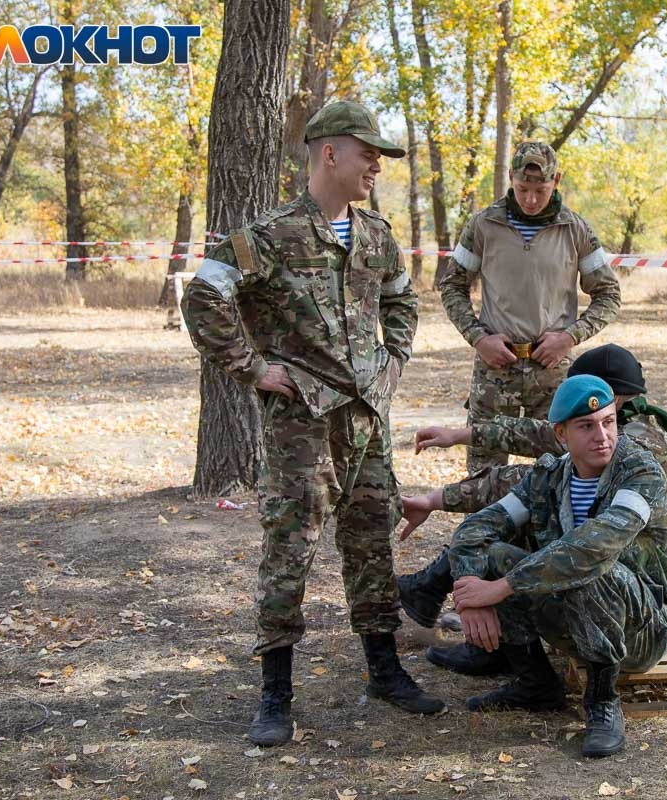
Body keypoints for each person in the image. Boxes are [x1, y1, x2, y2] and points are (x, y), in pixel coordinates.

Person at [181, 100, 443, 748]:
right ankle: (275, 692)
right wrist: (251, 368)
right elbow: (203, 295)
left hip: (365, 422)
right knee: (289, 550)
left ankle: (384, 669)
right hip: (300, 425)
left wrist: (396, 358)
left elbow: (403, 298)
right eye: (368, 153)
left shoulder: (378, 235)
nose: (376, 166)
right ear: (330, 152)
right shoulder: (269, 234)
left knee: (372, 543)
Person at [397, 344, 667, 676]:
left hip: (636, 588)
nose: (599, 432)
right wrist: (457, 438)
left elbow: (527, 475)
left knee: (545, 514)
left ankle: (436, 590)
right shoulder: (622, 428)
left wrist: (441, 501)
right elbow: (539, 443)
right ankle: (491, 643)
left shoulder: (632, 448)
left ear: (611, 399)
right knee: (522, 514)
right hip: (606, 566)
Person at [445, 375, 667, 758]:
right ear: (561, 434)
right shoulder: (549, 477)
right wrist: (471, 589)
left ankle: (603, 701)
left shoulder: (639, 471)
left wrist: (503, 587)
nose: (602, 435)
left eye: (608, 422)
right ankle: (535, 683)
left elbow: (595, 545)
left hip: (641, 628)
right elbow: (477, 527)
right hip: (574, 616)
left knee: (592, 567)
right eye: (586, 426)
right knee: (495, 554)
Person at [439, 141, 621, 475]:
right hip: (495, 366)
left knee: (561, 470)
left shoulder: (575, 229)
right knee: (484, 471)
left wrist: (569, 337)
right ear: (510, 177)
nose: (531, 199)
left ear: (557, 180)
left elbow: (609, 294)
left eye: (541, 189)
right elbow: (452, 285)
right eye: (523, 189)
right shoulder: (483, 225)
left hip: (552, 370)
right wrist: (478, 338)